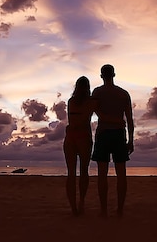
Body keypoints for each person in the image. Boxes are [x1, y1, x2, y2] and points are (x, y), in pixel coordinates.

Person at [91, 64, 134, 217]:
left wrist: (113, 121)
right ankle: (119, 209)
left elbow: (98, 113)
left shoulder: (97, 92)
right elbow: (129, 119)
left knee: (102, 174)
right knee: (121, 173)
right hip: (118, 134)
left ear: (102, 75)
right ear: (114, 74)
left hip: (104, 133)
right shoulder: (123, 94)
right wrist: (131, 139)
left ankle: (104, 210)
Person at [63, 76, 97, 216]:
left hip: (71, 136)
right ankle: (81, 202)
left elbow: (72, 120)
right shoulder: (91, 102)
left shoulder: (71, 101)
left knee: (71, 174)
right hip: (83, 136)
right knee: (84, 171)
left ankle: (74, 208)